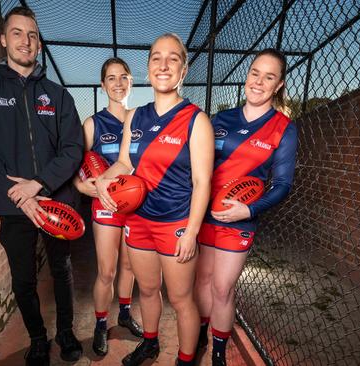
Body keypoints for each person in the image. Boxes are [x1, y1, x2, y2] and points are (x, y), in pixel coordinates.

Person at [0, 6, 84, 366]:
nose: (25, 41)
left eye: (32, 34)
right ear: (3, 39)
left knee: (61, 270)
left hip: (57, 200)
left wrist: (40, 184)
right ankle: (37, 339)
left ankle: (65, 333)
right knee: (23, 279)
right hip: (14, 204)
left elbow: (74, 148)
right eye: (17, 33)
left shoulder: (58, 96)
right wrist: (18, 193)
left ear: (38, 43)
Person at [96, 33, 214, 366]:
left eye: (172, 58)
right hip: (138, 220)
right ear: (148, 68)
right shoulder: (135, 117)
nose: (163, 65)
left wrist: (191, 231)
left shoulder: (196, 120)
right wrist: (103, 180)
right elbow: (124, 162)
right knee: (147, 290)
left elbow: (202, 182)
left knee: (180, 299)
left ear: (184, 69)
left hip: (175, 223)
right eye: (156, 57)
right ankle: (149, 344)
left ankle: (186, 359)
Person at [194, 48, 298, 366]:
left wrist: (249, 211)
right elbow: (197, 167)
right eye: (255, 73)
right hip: (205, 215)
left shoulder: (283, 128)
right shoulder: (219, 120)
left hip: (238, 220)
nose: (258, 81)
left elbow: (282, 184)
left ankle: (219, 352)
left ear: (278, 85)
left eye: (269, 77)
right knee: (201, 281)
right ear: (247, 75)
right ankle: (198, 333)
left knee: (223, 288)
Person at [73, 57, 143, 357]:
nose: (118, 83)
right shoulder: (93, 123)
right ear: (103, 86)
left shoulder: (140, 119)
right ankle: (101, 324)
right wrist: (80, 186)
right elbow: (77, 164)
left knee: (130, 266)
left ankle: (124, 314)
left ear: (131, 82)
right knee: (107, 270)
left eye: (123, 77)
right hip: (106, 206)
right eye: (111, 78)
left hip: (137, 206)